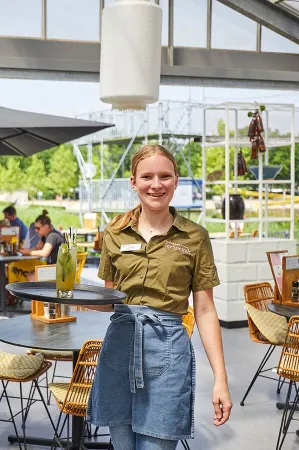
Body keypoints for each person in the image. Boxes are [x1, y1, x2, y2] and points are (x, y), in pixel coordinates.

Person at [87, 145, 232, 450]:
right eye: (147, 176)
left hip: (168, 351)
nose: (156, 184)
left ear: (176, 180)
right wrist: (66, 297)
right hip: (119, 347)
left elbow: (204, 310)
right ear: (133, 181)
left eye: (165, 176)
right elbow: (110, 298)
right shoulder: (114, 233)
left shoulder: (195, 236)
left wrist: (221, 378)